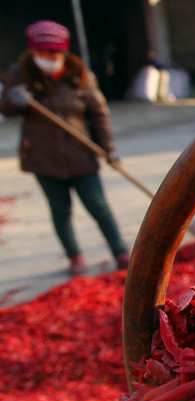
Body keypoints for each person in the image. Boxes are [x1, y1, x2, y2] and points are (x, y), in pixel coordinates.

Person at [0, 20, 128, 275]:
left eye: (53, 53)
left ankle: (120, 251)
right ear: (33, 52)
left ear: (63, 52)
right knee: (60, 210)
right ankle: (74, 256)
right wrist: (15, 100)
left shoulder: (79, 75)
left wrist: (109, 148)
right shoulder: (20, 75)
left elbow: (99, 114)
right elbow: (5, 107)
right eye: (42, 53)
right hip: (42, 157)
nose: (48, 58)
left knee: (98, 204)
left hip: (80, 152)